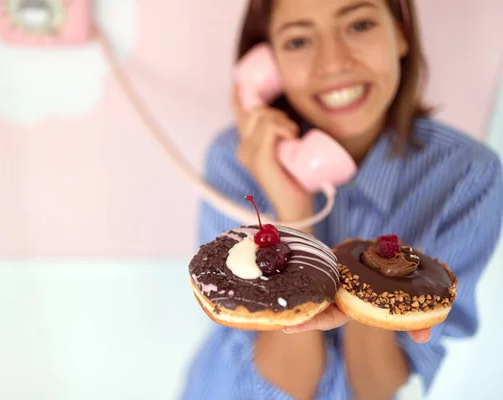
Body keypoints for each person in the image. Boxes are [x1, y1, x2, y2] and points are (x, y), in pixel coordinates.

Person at [180, 0, 503, 399]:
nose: (332, 63)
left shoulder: (468, 177)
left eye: (360, 24)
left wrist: (369, 293)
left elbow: (374, 389)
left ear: (400, 33)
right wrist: (294, 218)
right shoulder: (235, 161)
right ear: (267, 64)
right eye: (298, 41)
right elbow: (287, 379)